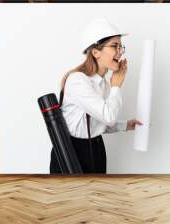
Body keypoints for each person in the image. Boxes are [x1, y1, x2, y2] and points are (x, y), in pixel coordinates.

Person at [50, 18, 142, 174]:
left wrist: (126, 125)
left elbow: (98, 124)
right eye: (114, 46)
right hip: (72, 151)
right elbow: (108, 116)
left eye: (121, 46)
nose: (120, 51)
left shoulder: (103, 84)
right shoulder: (78, 81)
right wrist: (116, 85)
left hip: (96, 148)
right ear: (95, 52)